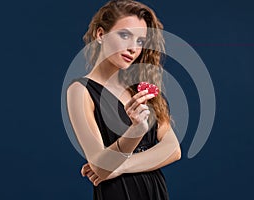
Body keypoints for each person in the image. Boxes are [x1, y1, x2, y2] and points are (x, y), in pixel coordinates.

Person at [66, 0, 181, 199]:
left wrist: (120, 166)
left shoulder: (141, 87)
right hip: (120, 193)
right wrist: (136, 130)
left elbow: (172, 149)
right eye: (125, 35)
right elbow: (101, 167)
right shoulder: (80, 90)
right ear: (100, 35)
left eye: (140, 41)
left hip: (155, 190)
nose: (133, 48)